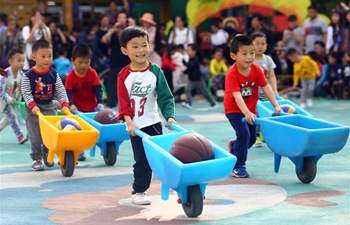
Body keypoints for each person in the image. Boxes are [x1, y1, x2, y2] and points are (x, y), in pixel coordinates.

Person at [117, 26, 176, 205]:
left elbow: (165, 96)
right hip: (136, 127)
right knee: (142, 160)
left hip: (154, 122)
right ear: (125, 50)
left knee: (161, 157)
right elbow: (124, 103)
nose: (141, 50)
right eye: (135, 46)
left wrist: (170, 116)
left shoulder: (155, 70)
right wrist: (129, 123)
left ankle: (173, 184)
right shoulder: (124, 75)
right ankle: (139, 190)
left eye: (144, 45)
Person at [225, 35, 282, 178]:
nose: (249, 57)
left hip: (250, 110)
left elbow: (266, 87)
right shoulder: (232, 73)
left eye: (251, 52)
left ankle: (234, 146)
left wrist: (276, 106)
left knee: (250, 139)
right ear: (233, 56)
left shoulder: (257, 70)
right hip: (234, 110)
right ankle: (238, 166)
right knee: (244, 134)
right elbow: (237, 96)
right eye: (244, 54)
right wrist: (246, 113)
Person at [21, 39, 69, 171]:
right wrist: (32, 105)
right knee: (35, 135)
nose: (47, 59)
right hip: (33, 110)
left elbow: (60, 89)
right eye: (43, 56)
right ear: (34, 57)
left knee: (50, 133)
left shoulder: (53, 73)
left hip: (49, 106)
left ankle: (47, 153)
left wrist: (64, 103)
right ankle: (36, 158)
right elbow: (26, 92)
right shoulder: (29, 75)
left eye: (50, 56)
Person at [65, 44, 104, 161]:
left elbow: (98, 88)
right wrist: (71, 104)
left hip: (91, 108)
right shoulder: (71, 76)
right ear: (73, 61)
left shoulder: (92, 73)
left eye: (87, 62)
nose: (83, 65)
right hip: (76, 110)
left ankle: (105, 148)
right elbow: (67, 92)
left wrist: (100, 102)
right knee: (78, 131)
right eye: (80, 62)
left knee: (96, 130)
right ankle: (79, 150)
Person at [250, 32, 277, 147]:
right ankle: (257, 137)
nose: (260, 46)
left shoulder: (268, 59)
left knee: (267, 115)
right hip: (253, 94)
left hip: (266, 93)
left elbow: (272, 76)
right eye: (257, 44)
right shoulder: (249, 59)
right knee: (256, 115)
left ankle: (265, 135)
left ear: (266, 45)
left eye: (263, 44)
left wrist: (274, 90)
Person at [0, 48, 27, 144]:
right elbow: (0, 91)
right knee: (12, 116)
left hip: (15, 100)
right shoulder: (4, 75)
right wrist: (9, 99)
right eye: (19, 61)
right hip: (3, 101)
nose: (22, 63)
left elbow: (24, 88)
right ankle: (20, 136)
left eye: (23, 60)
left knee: (7, 120)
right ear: (10, 62)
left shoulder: (22, 75)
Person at [181, 44, 217, 110]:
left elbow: (190, 66)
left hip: (198, 79)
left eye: (188, 50)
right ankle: (189, 103)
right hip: (191, 79)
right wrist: (184, 72)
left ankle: (213, 103)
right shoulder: (190, 59)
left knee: (204, 92)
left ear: (194, 51)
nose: (187, 52)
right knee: (187, 89)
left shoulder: (195, 59)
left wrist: (183, 61)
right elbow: (190, 69)